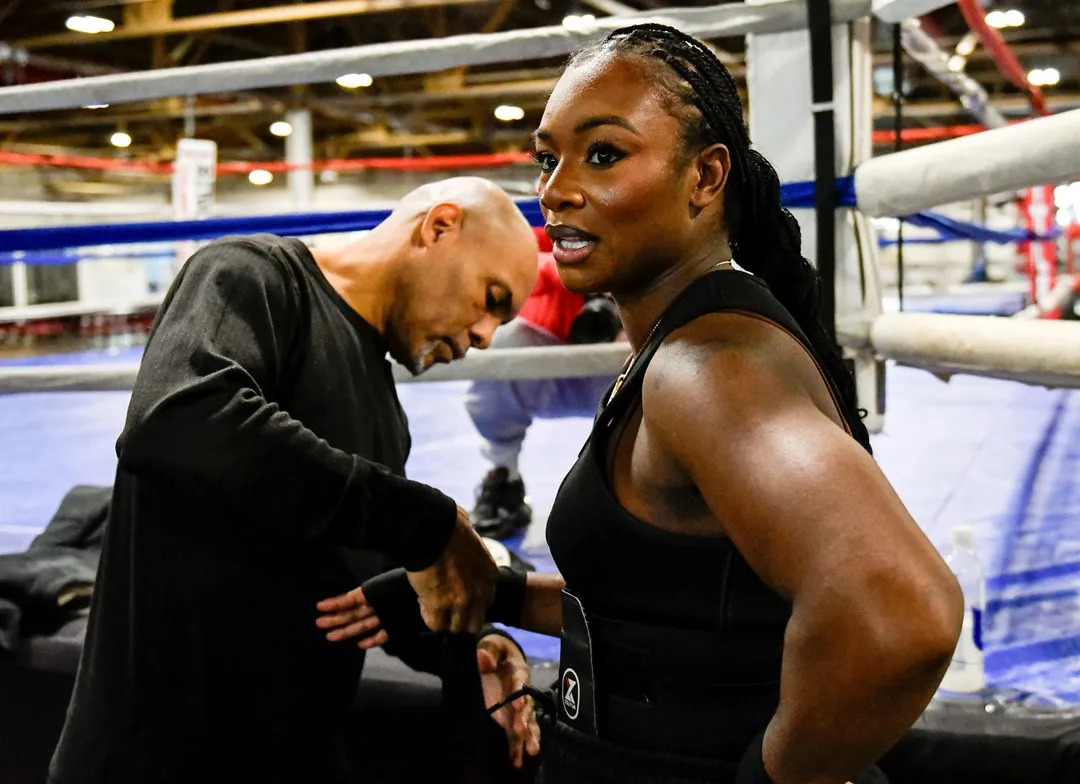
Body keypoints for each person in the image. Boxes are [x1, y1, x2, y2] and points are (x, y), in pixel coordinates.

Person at [317, 25, 965, 784]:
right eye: (547, 159)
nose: (556, 190)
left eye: (603, 154)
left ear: (705, 176)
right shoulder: (680, 345)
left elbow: (903, 613)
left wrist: (773, 780)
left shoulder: (706, 367)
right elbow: (669, 611)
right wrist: (499, 593)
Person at [48, 177, 543, 783]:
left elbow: (361, 591)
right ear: (439, 226)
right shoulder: (253, 275)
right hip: (154, 759)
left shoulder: (387, 417)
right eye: (491, 297)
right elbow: (176, 422)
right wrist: (423, 521)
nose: (485, 336)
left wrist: (479, 641)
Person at [465, 247, 623, 538]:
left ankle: (648, 487)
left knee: (670, 354)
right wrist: (566, 268)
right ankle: (503, 475)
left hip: (626, 365)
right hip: (545, 358)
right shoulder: (545, 229)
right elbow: (501, 273)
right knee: (502, 344)